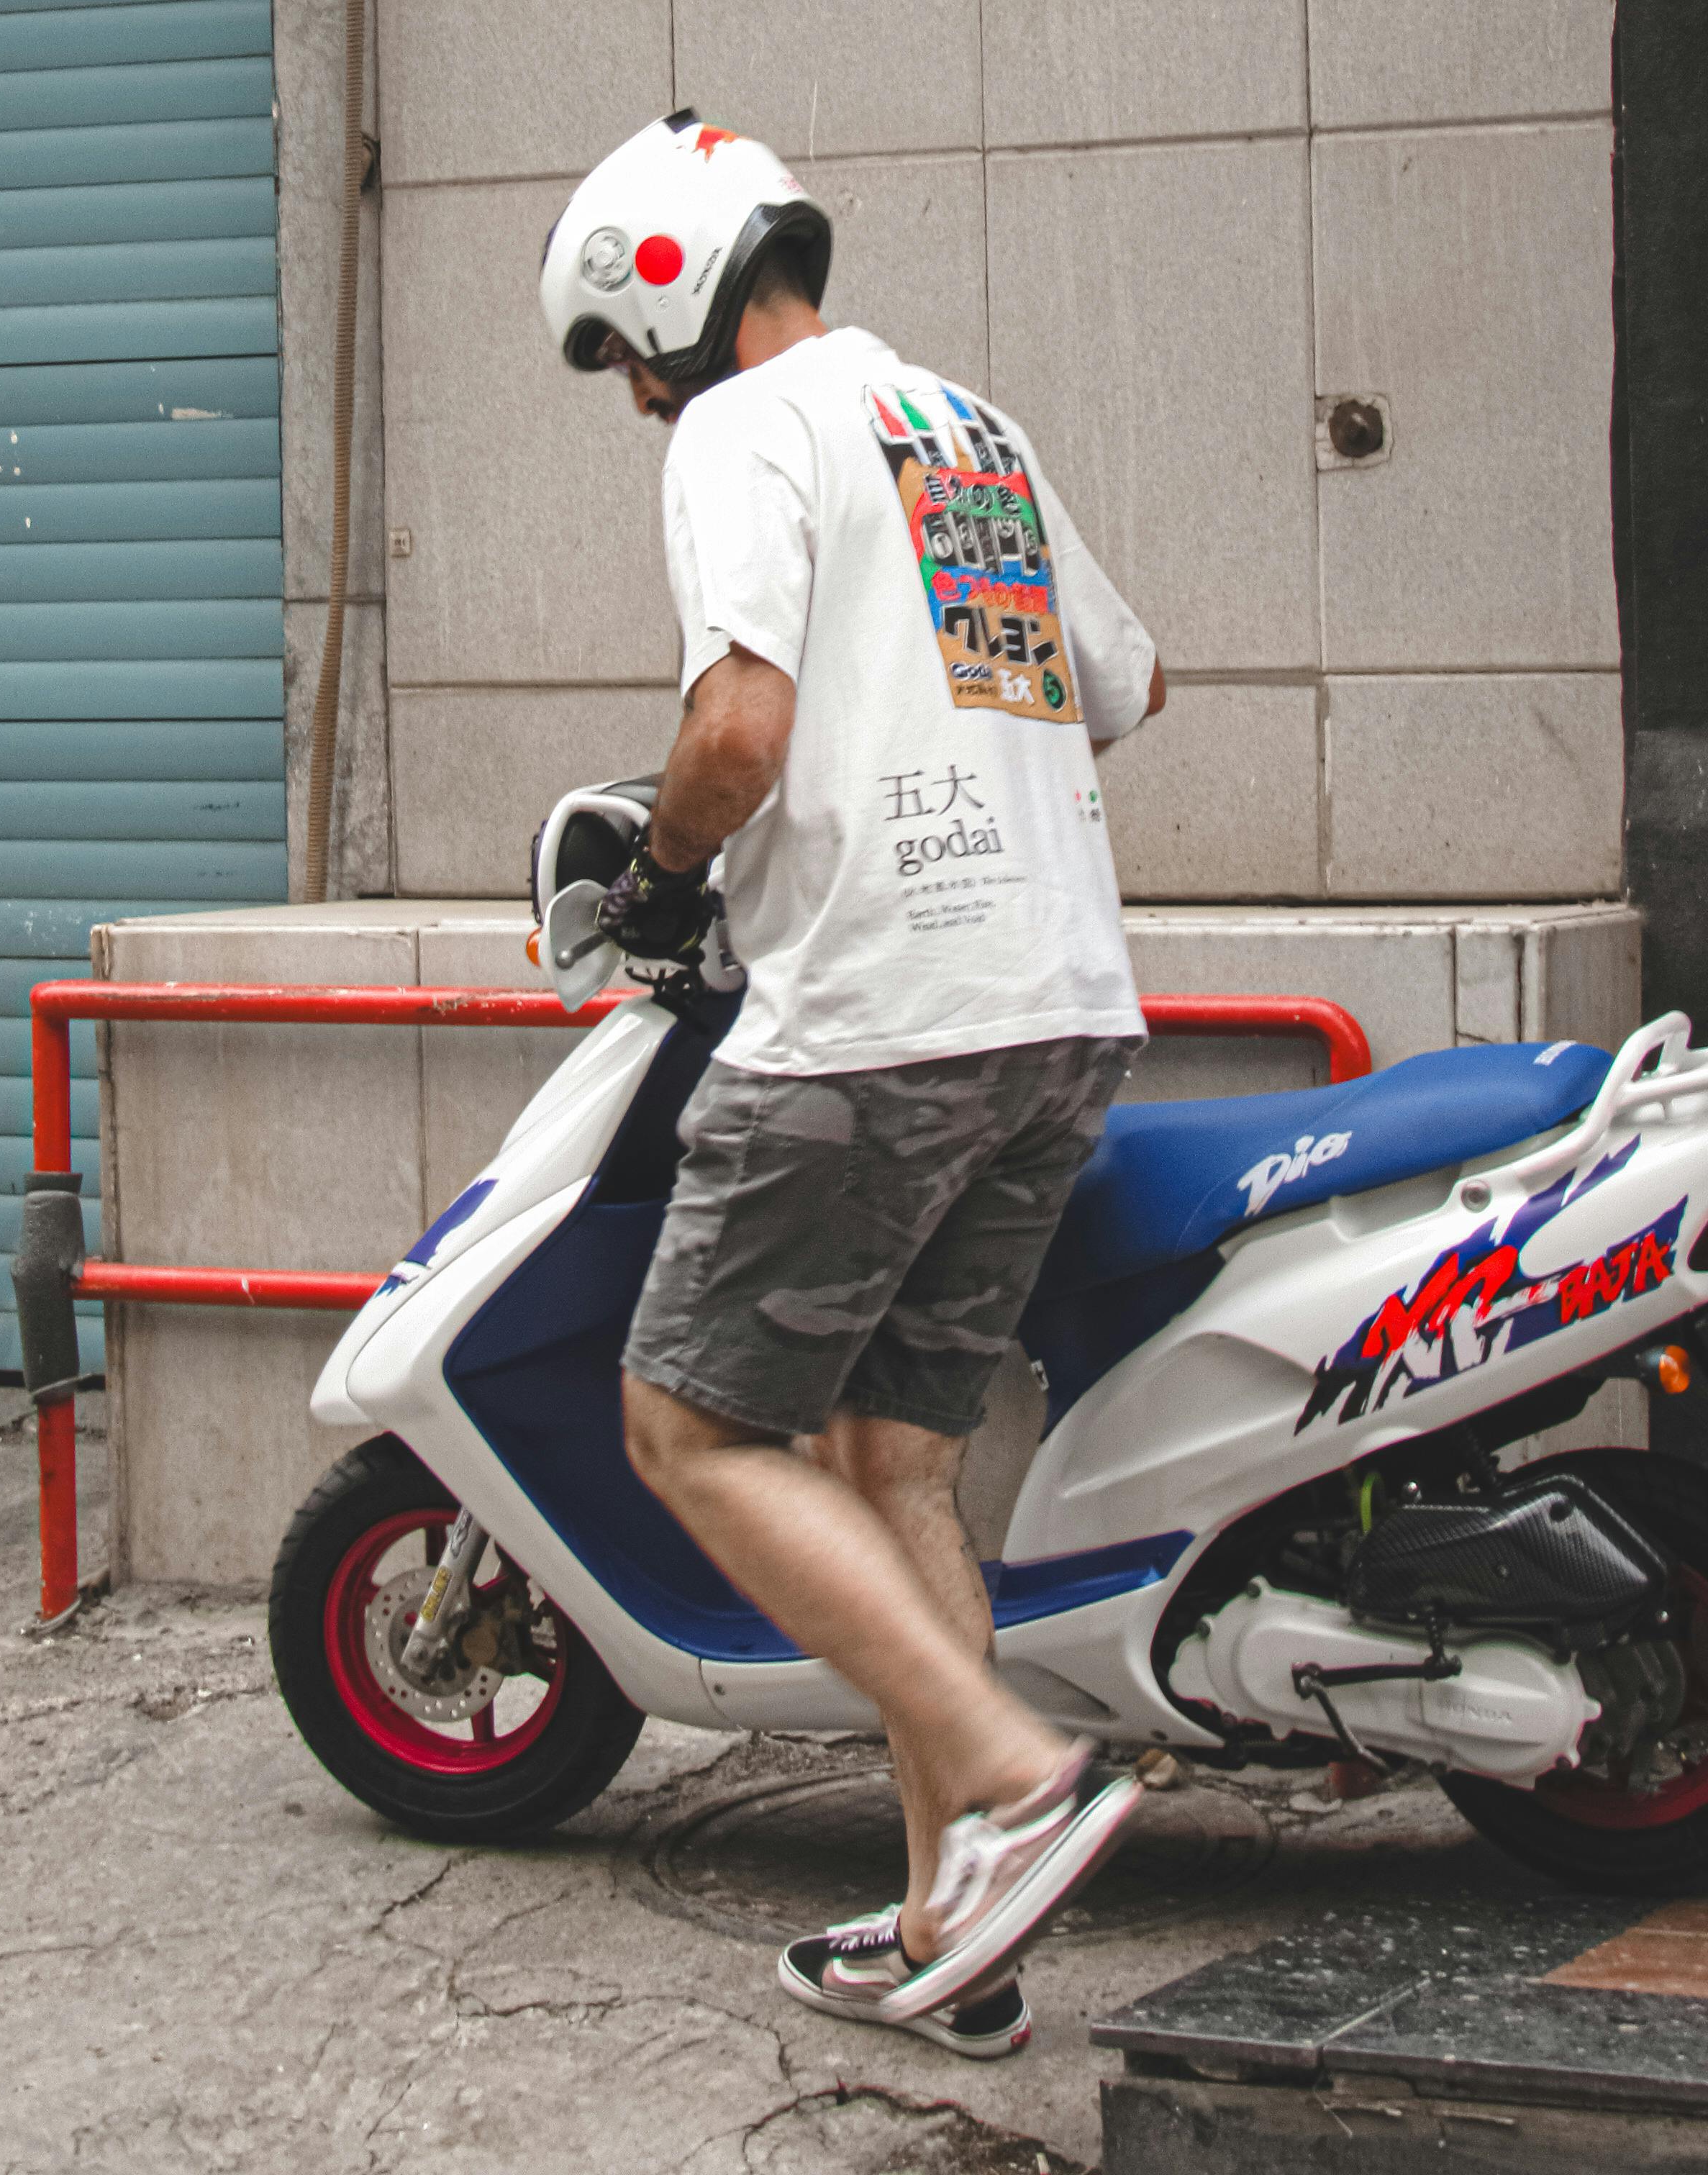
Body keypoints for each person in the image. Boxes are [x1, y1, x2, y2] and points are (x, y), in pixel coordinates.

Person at [537, 109, 1168, 2052]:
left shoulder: (748, 428)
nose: (638, 401)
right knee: (891, 1463)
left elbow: (738, 724)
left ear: (673, 293)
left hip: (879, 1023)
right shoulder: (963, 430)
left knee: (690, 1430)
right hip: (1055, 1011)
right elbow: (1125, 682)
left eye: (626, 360)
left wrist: (663, 873)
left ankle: (1011, 1780)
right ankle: (951, 1935)